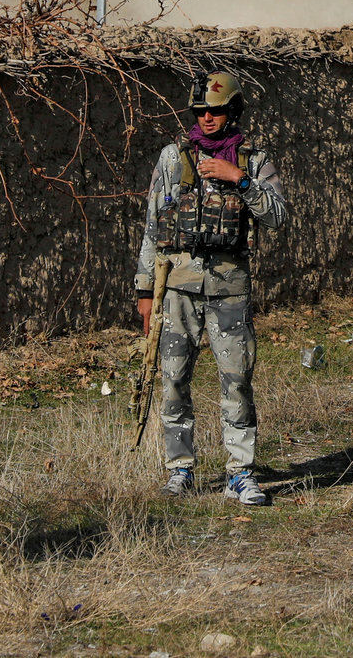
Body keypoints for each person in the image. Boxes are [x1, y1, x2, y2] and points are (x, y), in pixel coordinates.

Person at [135, 72, 287, 506]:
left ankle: (240, 472)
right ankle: (180, 469)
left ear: (232, 111)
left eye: (216, 111)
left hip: (229, 289)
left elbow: (278, 215)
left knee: (236, 380)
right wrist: (144, 291)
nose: (206, 118)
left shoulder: (253, 160)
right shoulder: (173, 158)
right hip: (178, 288)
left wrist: (239, 179)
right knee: (173, 381)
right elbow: (152, 227)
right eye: (200, 110)